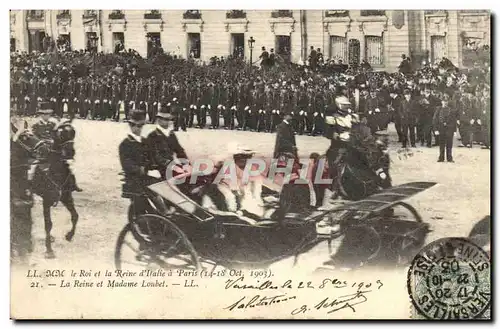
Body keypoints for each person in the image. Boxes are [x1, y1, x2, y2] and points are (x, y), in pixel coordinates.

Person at [119, 110, 160, 219]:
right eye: (136, 126)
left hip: (145, 177)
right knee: (154, 192)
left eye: (141, 126)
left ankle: (165, 212)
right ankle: (163, 213)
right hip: (134, 179)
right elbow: (126, 164)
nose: (139, 129)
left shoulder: (145, 141)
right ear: (130, 125)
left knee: (164, 186)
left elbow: (152, 157)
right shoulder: (125, 144)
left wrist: (155, 165)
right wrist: (140, 169)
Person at [145, 107, 188, 181]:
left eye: (169, 119)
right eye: (166, 119)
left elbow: (179, 150)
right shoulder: (152, 136)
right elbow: (156, 156)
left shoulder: (171, 134)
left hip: (170, 166)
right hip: (157, 169)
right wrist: (173, 166)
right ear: (159, 120)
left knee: (192, 176)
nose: (168, 122)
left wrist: (186, 164)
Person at [433, 93, 459, 163]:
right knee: (441, 144)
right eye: (444, 101)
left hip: (449, 130)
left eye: (446, 101)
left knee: (449, 144)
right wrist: (435, 129)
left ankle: (449, 158)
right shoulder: (438, 109)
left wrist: (454, 131)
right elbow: (435, 120)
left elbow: (454, 121)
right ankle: (441, 157)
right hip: (441, 129)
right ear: (441, 102)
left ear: (448, 102)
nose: (445, 103)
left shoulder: (451, 110)